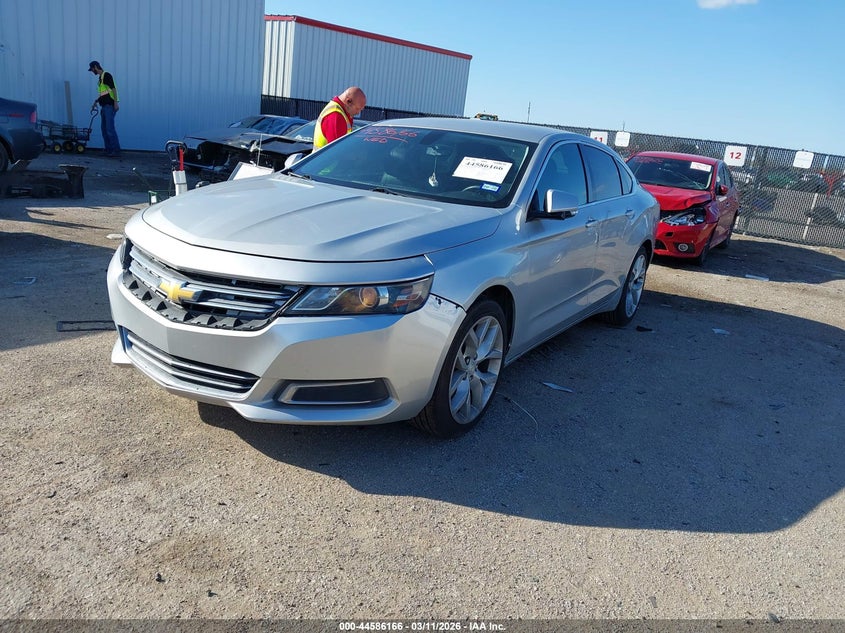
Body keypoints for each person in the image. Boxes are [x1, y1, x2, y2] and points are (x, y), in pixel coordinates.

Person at [312, 86, 366, 151]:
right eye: (357, 109)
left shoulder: (342, 112)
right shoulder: (336, 116)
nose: (358, 112)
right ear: (348, 101)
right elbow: (336, 151)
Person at [88, 60, 121, 157]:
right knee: (104, 129)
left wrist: (115, 103)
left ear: (95, 67)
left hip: (109, 106)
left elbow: (113, 89)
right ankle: (108, 149)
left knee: (110, 129)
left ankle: (115, 150)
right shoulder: (101, 78)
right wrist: (96, 102)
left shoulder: (106, 75)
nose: (92, 71)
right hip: (104, 106)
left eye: (92, 69)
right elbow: (104, 94)